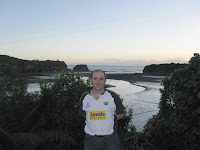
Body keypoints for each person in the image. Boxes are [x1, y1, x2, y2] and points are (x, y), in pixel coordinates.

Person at [79, 69, 124, 150]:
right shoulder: (84, 97)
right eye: (95, 78)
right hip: (90, 140)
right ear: (91, 80)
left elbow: (121, 113)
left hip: (110, 139)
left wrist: (109, 118)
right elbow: (83, 115)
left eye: (101, 79)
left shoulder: (113, 96)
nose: (98, 82)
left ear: (105, 81)